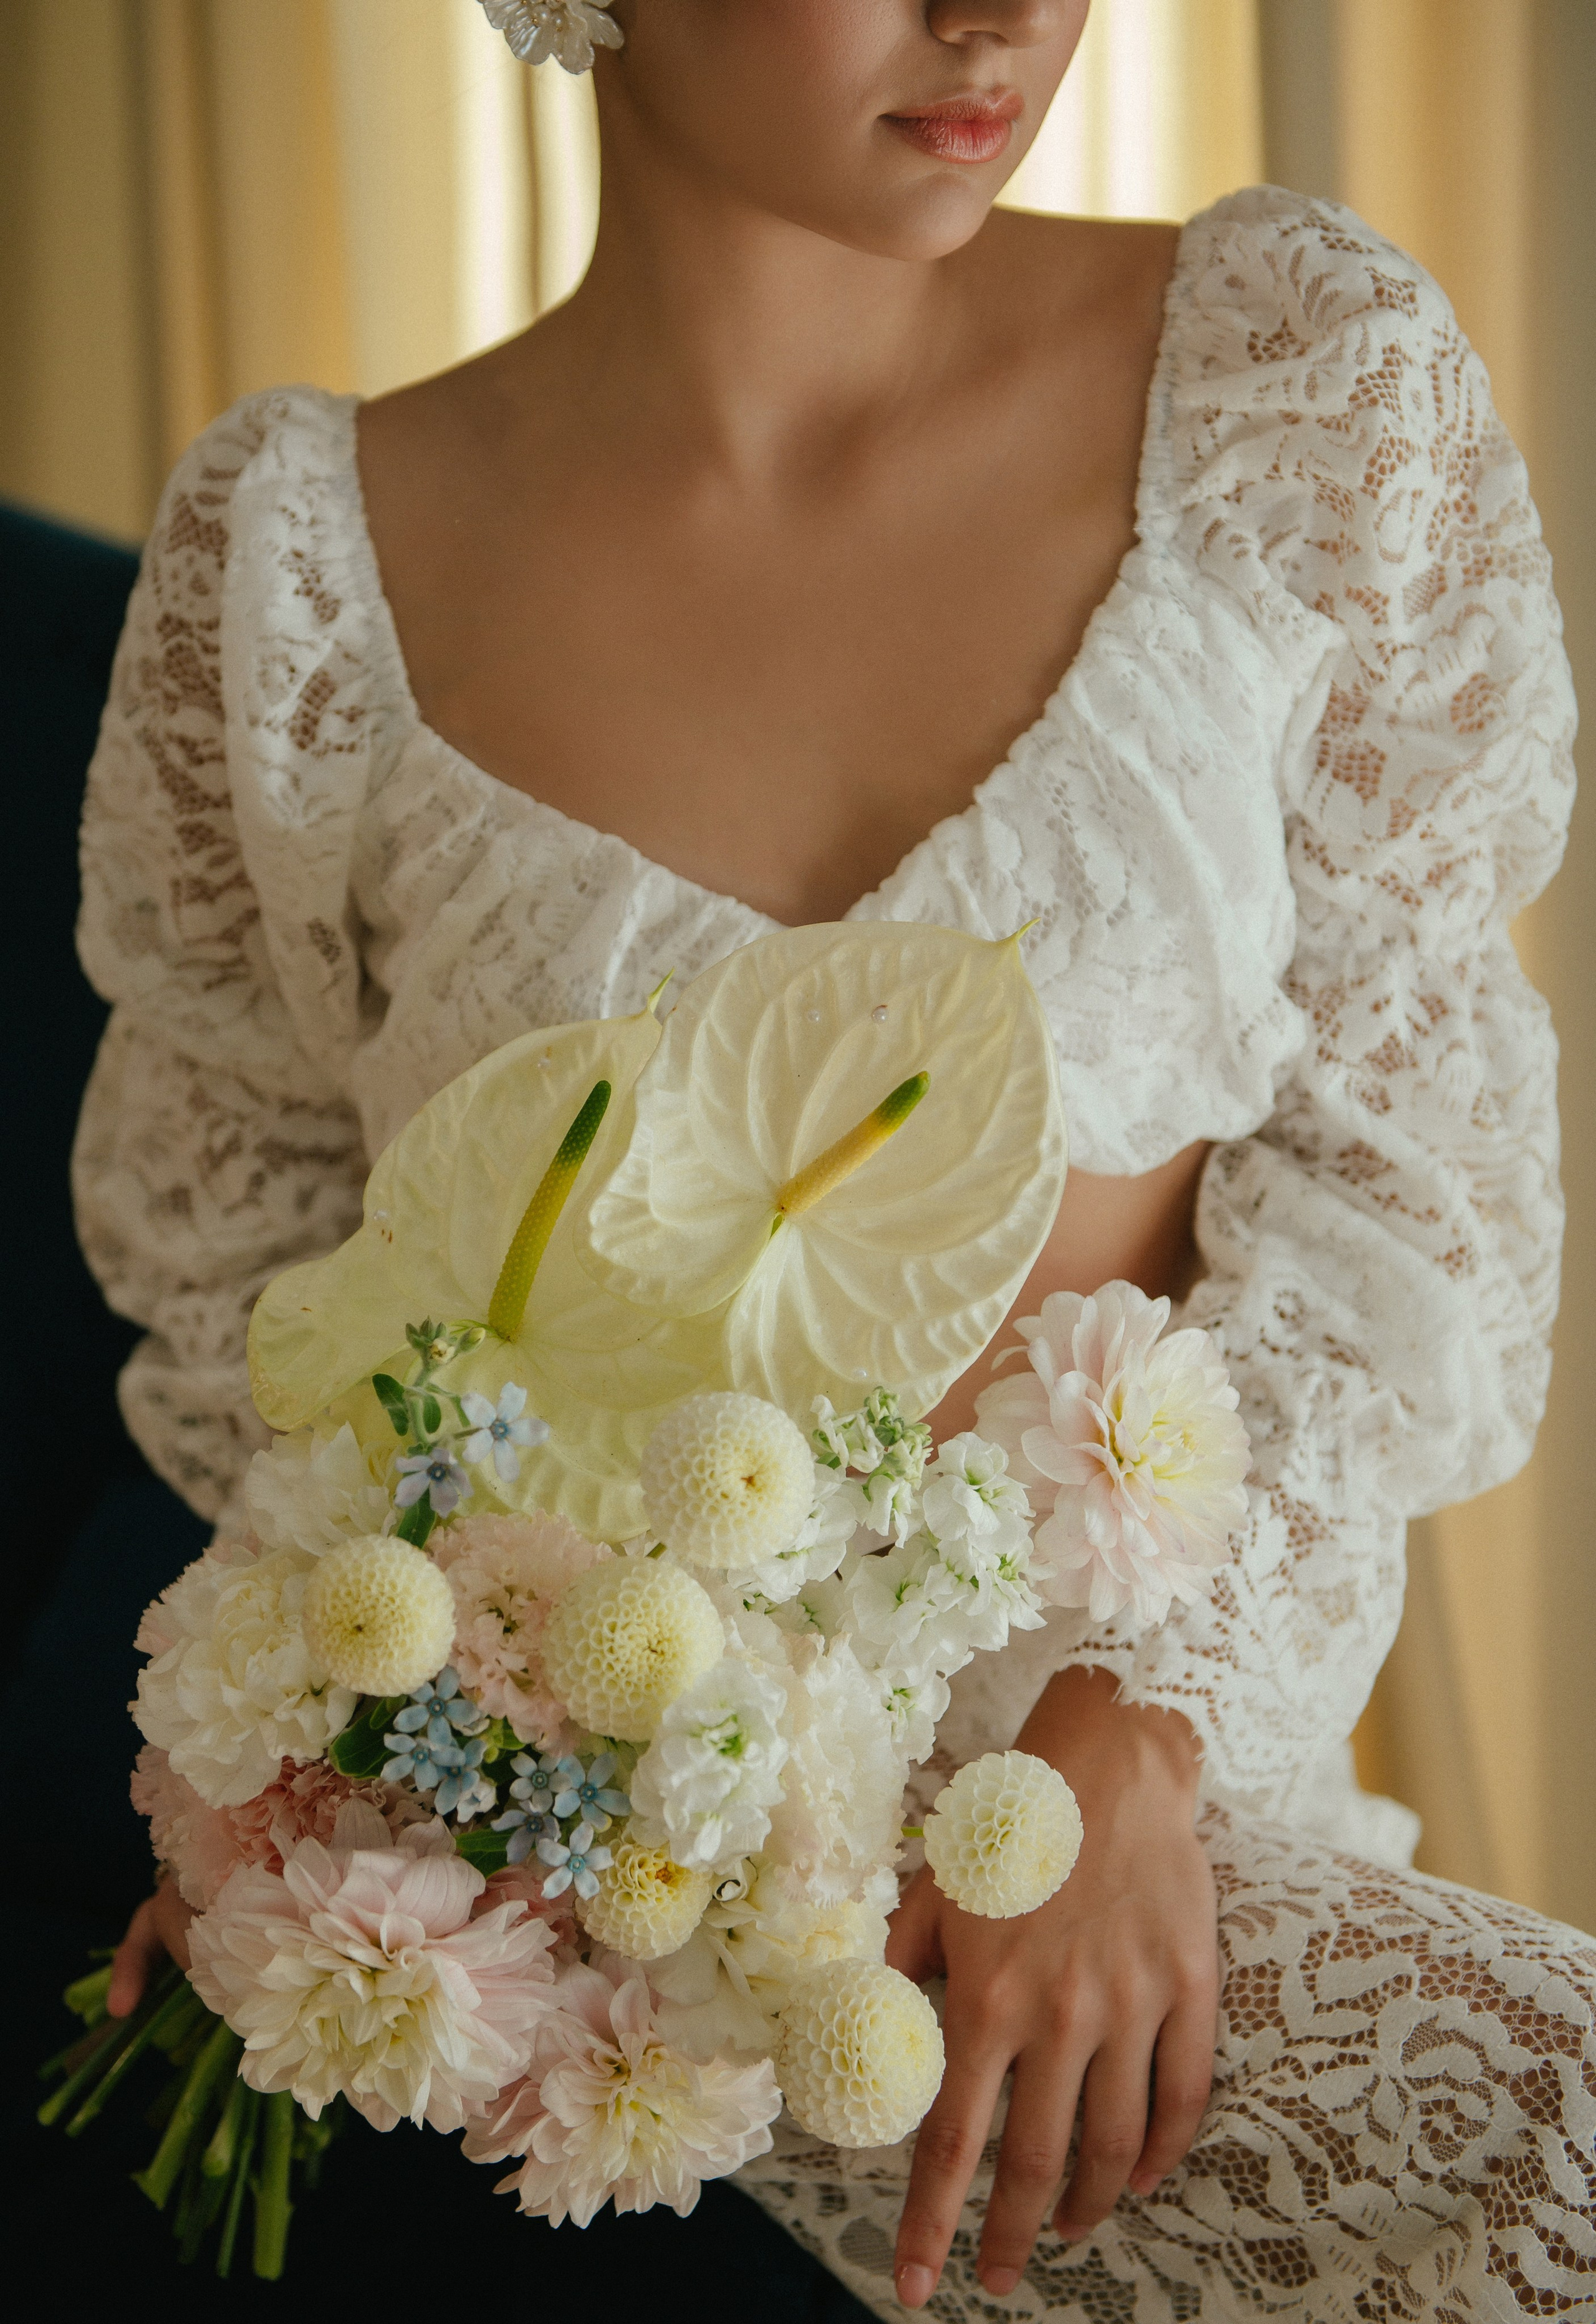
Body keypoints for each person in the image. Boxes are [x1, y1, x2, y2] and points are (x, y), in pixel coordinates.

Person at [80, 4, 1594, 2317]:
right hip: (599, 1924)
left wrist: (1133, 1733)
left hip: (1145, 1827)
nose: (994, 15)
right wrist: (337, 1794)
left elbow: (1411, 1176)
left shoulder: (1293, 381)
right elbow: (255, 1263)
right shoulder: (302, 559)